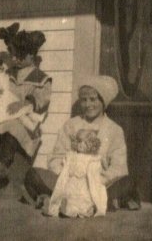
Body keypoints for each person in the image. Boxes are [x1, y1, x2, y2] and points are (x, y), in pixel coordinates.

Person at [23, 75, 140, 211]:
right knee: (33, 175)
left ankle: (63, 201)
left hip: (99, 184)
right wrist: (67, 177)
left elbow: (119, 167)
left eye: (93, 99)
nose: (88, 105)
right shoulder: (71, 125)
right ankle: (94, 204)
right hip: (69, 182)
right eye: (84, 100)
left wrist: (97, 181)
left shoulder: (114, 130)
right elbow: (56, 157)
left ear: (103, 101)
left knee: (128, 181)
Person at [0, 23, 52, 199]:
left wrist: (27, 102)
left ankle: (1, 167)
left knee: (11, 130)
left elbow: (43, 97)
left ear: (32, 56)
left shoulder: (41, 78)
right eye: (13, 55)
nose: (15, 59)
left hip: (25, 120)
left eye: (20, 56)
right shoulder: (7, 73)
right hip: (3, 115)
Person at [44, 129, 107, 218]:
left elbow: (94, 178)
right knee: (67, 197)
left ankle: (75, 210)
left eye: (85, 143)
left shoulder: (91, 159)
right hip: (71, 184)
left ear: (91, 145)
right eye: (79, 142)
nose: (81, 145)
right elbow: (65, 172)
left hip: (83, 186)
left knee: (82, 201)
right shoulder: (71, 156)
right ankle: (61, 207)